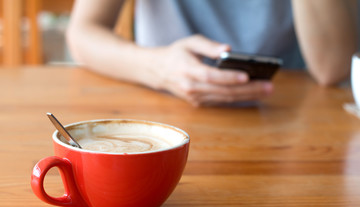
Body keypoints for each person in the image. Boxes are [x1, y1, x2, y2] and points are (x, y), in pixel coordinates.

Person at [66, 0, 358, 106]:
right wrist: (158, 68)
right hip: (163, 110)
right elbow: (82, 34)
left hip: (288, 114)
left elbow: (333, 67)